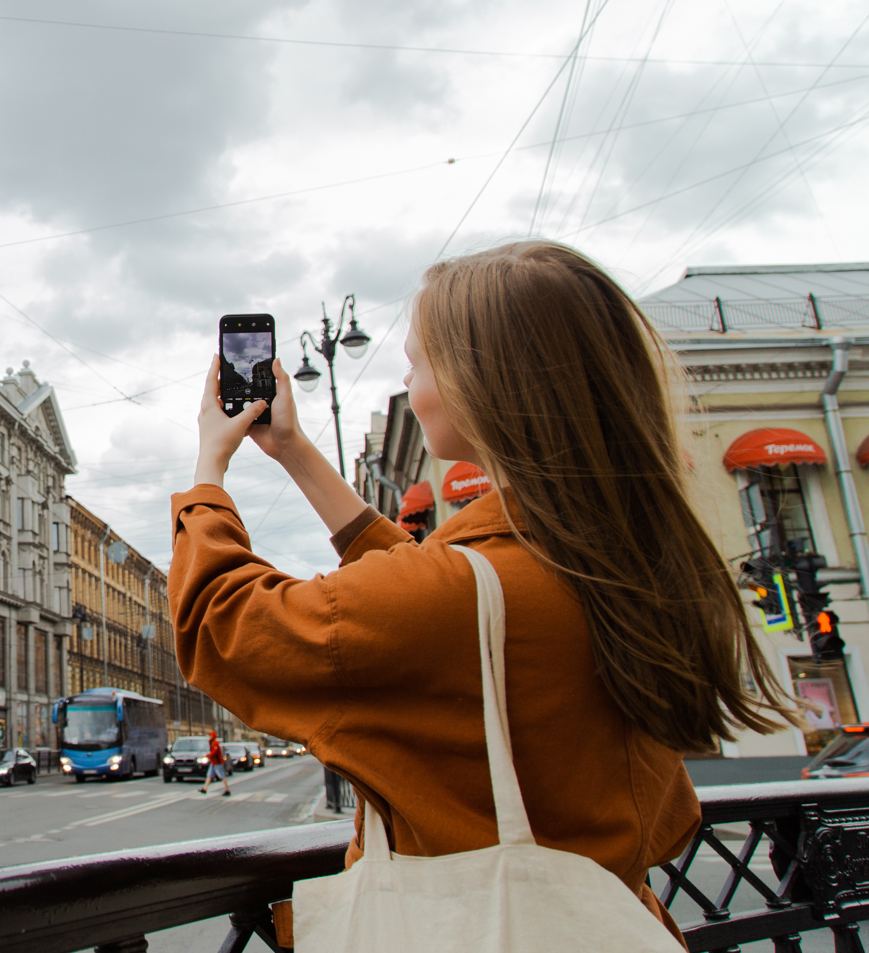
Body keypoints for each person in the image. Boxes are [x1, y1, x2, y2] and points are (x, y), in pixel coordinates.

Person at [170, 240, 797, 940]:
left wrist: (208, 469)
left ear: (486, 380)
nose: (412, 385)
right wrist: (295, 452)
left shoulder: (471, 590)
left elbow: (225, 627)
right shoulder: (612, 558)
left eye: (417, 363)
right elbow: (453, 587)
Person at [199, 731, 230, 797]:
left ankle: (227, 790)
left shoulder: (215, 743)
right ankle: (205, 789)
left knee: (222, 776)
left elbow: (214, 752)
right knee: (209, 776)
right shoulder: (212, 743)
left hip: (217, 763)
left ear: (213, 736)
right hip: (213, 763)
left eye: (210, 736)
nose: (209, 737)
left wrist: (207, 755)